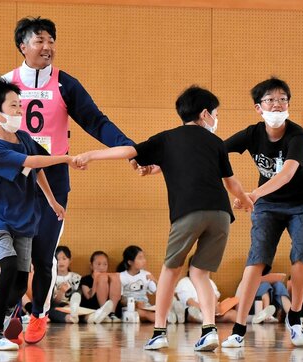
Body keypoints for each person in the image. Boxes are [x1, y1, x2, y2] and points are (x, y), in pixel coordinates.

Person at [0, 16, 135, 344]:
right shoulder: (5, 84)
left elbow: (97, 121)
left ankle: (37, 313)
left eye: (51, 40)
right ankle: (7, 314)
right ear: (22, 46)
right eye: (39, 40)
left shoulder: (66, 83)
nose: (47, 46)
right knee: (14, 261)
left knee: (43, 256)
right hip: (11, 175)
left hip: (51, 173)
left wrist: (129, 148)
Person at [74, 86, 253, 351]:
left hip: (188, 212)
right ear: (205, 114)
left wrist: (91, 154)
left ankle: (159, 331)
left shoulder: (167, 138)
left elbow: (128, 151)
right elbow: (231, 183)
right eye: (216, 113)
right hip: (221, 215)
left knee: (171, 270)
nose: (216, 118)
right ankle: (209, 329)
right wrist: (247, 201)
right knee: (200, 273)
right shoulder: (215, 143)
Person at [0, 78, 80, 351]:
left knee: (19, 282)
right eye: (13, 106)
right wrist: (65, 158)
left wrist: (52, 201)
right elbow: (32, 162)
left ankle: (6, 316)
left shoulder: (25, 139)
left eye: (20, 105)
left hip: (24, 218)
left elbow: (37, 172)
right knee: (7, 266)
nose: (20, 110)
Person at [221, 77, 303, 348]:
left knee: (302, 254)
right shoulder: (252, 134)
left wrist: (252, 195)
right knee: (257, 260)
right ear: (258, 107)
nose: (277, 105)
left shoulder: (297, 135)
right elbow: (216, 151)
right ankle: (239, 328)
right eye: (270, 100)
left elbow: (288, 173)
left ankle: (295, 315)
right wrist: (167, 164)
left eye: (282, 99)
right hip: (268, 204)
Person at [175, 256, 237, 324]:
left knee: (232, 314)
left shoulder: (209, 281)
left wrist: (215, 307)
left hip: (211, 311)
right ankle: (205, 319)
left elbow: (214, 297)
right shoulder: (184, 282)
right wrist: (207, 310)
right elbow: (190, 302)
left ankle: (207, 320)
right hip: (194, 310)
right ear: (190, 268)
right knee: (192, 313)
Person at [117, 245, 158, 323]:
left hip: (146, 306)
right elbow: (121, 300)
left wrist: (155, 280)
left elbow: (159, 293)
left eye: (143, 257)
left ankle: (150, 316)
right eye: (140, 258)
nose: (144, 260)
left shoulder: (146, 274)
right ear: (130, 262)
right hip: (130, 308)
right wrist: (135, 303)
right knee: (137, 313)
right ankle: (150, 317)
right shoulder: (121, 276)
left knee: (157, 310)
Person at [80, 251, 121, 323]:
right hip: (92, 307)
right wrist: (96, 280)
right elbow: (88, 296)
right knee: (102, 279)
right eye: (98, 264)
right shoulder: (85, 279)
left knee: (115, 277)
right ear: (91, 265)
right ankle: (103, 312)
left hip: (111, 308)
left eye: (105, 264)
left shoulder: (111, 278)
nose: (101, 267)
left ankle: (111, 314)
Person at [47, 245, 82, 324]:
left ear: (70, 260)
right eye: (57, 259)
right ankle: (71, 318)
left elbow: (78, 296)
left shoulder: (76, 277)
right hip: (58, 307)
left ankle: (93, 317)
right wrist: (61, 292)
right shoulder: (50, 278)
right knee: (52, 311)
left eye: (64, 258)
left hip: (73, 307)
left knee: (81, 311)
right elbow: (52, 303)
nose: (61, 262)